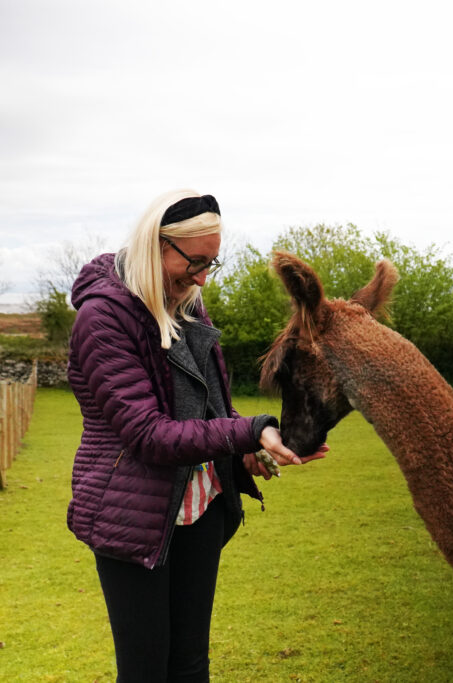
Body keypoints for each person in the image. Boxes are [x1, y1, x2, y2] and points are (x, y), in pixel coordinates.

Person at [66, 189, 325, 682]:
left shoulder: (186, 308)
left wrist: (251, 450)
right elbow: (149, 434)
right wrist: (251, 430)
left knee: (190, 665)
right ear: (157, 245)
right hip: (134, 516)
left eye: (212, 263)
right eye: (195, 262)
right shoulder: (102, 318)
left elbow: (213, 410)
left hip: (201, 509)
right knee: (145, 671)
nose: (203, 277)